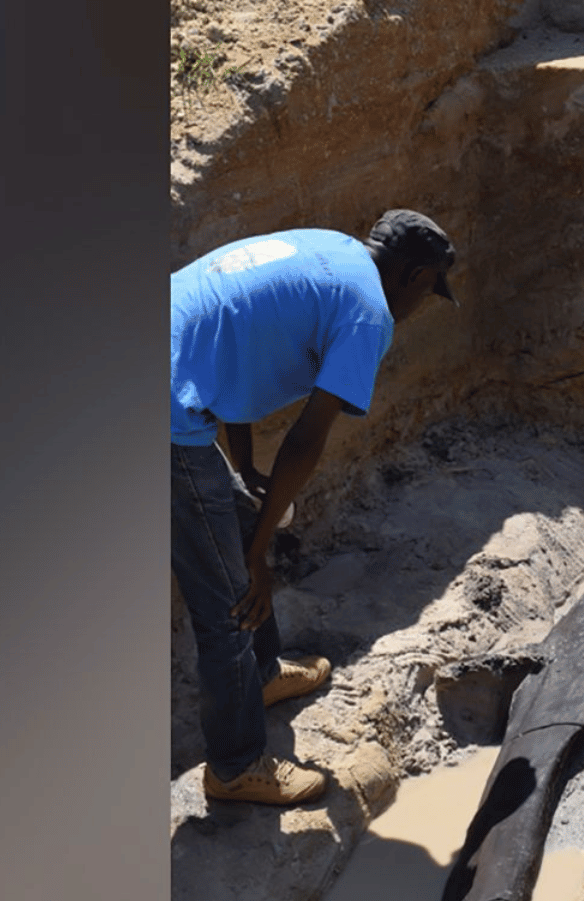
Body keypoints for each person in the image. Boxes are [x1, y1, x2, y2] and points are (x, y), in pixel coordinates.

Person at [171, 209, 458, 804]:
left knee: (245, 505)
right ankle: (234, 767)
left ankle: (264, 673)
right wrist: (256, 559)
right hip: (167, 414)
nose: (423, 304)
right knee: (228, 599)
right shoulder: (367, 313)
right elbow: (306, 439)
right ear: (409, 274)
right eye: (430, 289)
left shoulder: (331, 249)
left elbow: (231, 352)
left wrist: (246, 472)